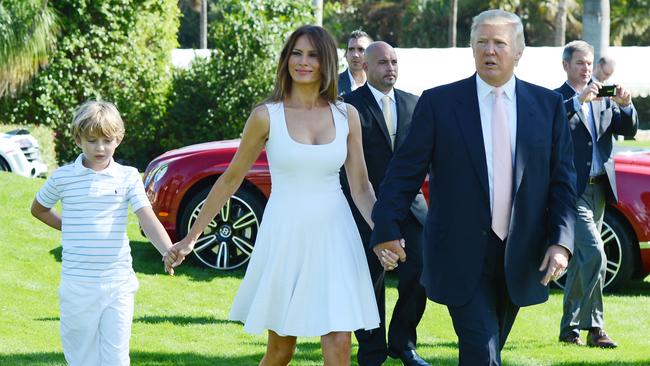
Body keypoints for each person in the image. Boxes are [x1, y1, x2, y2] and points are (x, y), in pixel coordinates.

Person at [369, 9, 577, 365]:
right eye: (481, 42)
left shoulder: (548, 106)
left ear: (519, 51)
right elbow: (403, 174)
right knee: (482, 351)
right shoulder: (439, 103)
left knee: (490, 347)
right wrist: (385, 228)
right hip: (459, 254)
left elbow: (563, 183)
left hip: (522, 255)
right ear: (471, 48)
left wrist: (561, 242)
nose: (489, 51)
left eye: (499, 43)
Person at [166, 25, 380, 366]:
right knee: (281, 350)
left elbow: (361, 187)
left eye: (312, 54)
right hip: (285, 236)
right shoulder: (266, 116)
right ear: (286, 59)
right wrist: (190, 238)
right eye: (296, 53)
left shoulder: (347, 115)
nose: (303, 62)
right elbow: (230, 180)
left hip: (336, 237)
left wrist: (386, 232)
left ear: (326, 61)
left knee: (340, 344)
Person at [30, 100, 174, 366]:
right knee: (82, 358)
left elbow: (146, 216)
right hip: (77, 286)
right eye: (92, 140)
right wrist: (69, 226)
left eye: (107, 140)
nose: (100, 148)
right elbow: (38, 209)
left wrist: (167, 249)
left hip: (118, 283)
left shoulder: (129, 176)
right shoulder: (62, 178)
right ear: (78, 138)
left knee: (117, 359)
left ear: (118, 139)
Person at [342, 41, 428, 366]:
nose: (390, 67)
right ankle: (373, 349)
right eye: (382, 62)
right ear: (365, 66)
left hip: (411, 207)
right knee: (369, 279)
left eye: (394, 61)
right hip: (364, 210)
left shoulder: (414, 103)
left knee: (420, 271)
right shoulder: (348, 106)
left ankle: (403, 343)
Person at [556, 40, 638, 348]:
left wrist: (626, 104)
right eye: (580, 63)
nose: (586, 68)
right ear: (566, 65)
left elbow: (627, 129)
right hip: (571, 192)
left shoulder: (604, 97)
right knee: (596, 255)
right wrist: (578, 102)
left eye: (589, 63)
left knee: (581, 262)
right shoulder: (557, 98)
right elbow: (552, 127)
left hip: (600, 189)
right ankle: (595, 328)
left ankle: (568, 328)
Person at [338, 30, 373, 96]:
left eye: (361, 49)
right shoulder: (332, 84)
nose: (355, 55)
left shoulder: (377, 84)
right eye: (351, 49)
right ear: (346, 54)